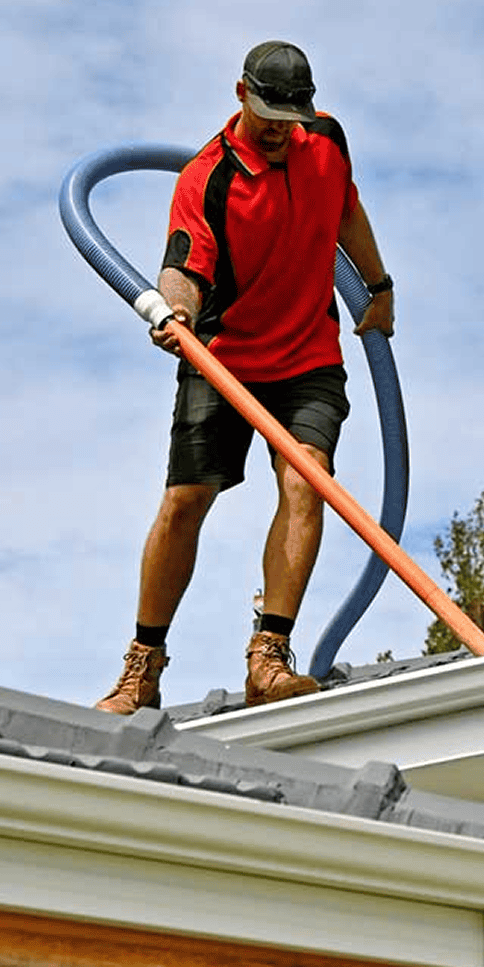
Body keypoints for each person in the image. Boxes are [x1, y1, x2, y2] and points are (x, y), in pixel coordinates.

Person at [95, 41, 396, 714]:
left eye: (291, 118)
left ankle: (269, 656)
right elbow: (183, 265)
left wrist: (377, 287)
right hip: (224, 358)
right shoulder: (207, 178)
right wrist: (176, 310)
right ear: (240, 94)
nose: (280, 131)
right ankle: (142, 665)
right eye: (268, 116)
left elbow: (346, 210)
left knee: (308, 476)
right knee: (185, 501)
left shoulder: (327, 142)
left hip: (308, 356)